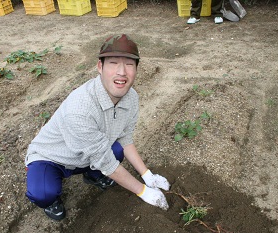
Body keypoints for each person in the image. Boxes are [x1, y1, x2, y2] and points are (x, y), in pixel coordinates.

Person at [24, 34, 170, 221]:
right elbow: (107, 164)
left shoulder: (131, 97)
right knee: (43, 193)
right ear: (99, 67)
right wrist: (144, 192)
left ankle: (92, 175)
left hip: (86, 154)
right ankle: (50, 200)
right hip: (53, 158)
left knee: (117, 150)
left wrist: (147, 175)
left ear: (136, 69)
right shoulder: (80, 109)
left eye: (129, 64)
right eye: (113, 63)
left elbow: (125, 138)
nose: (122, 72)